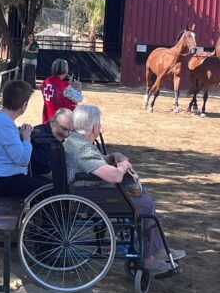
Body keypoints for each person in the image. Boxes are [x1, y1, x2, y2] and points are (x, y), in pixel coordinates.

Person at [64, 104, 185, 273]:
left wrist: (112, 157)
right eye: (99, 124)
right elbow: (113, 176)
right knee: (144, 203)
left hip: (87, 192)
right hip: (91, 197)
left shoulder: (74, 141)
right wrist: (122, 166)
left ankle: (156, 250)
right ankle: (150, 258)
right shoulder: (82, 148)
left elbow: (90, 163)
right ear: (94, 127)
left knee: (143, 196)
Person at [0, 80, 50, 198]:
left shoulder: (1, 118)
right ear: (24, 105)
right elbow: (22, 160)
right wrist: (26, 138)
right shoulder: (4, 123)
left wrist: (21, 135)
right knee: (47, 191)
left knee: (48, 185)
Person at [30, 108, 74, 177]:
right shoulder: (41, 139)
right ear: (53, 121)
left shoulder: (53, 136)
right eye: (64, 129)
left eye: (70, 131)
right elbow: (45, 173)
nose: (67, 134)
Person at [40, 58, 83, 123]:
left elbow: (55, 92)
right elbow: (79, 99)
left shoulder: (44, 82)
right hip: (61, 118)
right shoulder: (64, 86)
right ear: (66, 70)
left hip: (48, 116)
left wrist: (69, 85)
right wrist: (78, 88)